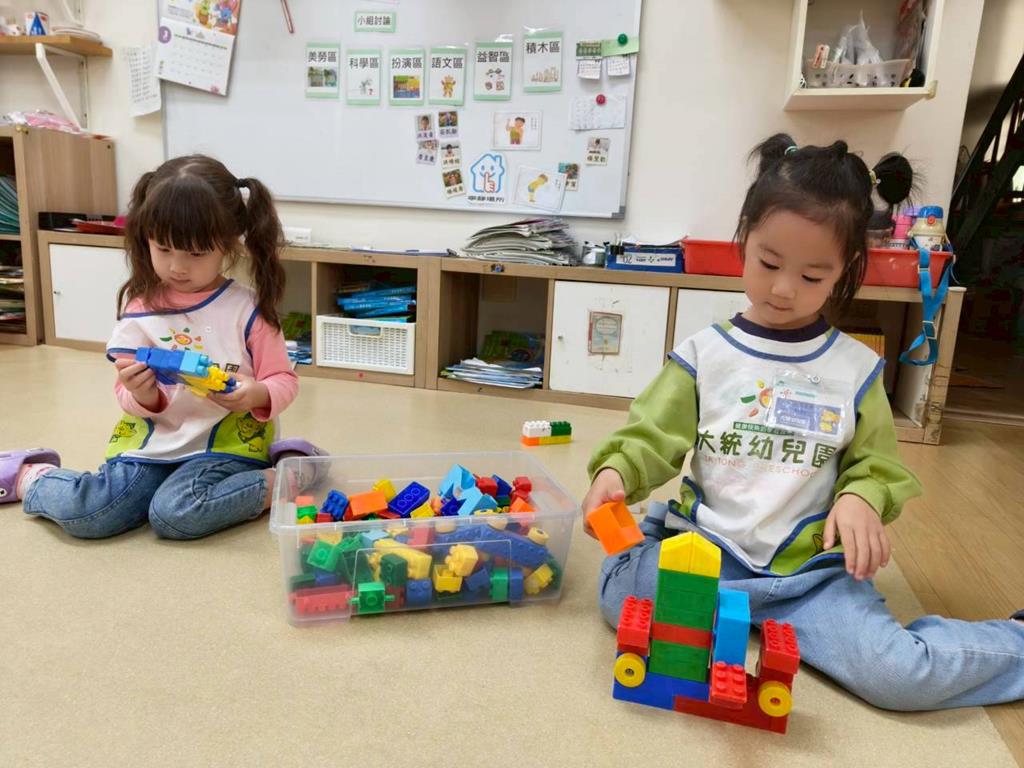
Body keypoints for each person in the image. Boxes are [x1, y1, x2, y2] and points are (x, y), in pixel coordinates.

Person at [583, 133, 1024, 711]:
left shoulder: (856, 370)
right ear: (744, 239)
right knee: (620, 595)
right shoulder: (703, 354)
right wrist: (617, 471)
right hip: (705, 557)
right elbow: (651, 436)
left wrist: (862, 498)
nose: (784, 288)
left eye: (814, 276)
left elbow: (876, 465)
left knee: (897, 675)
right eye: (768, 263)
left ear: (846, 270)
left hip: (810, 580)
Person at [0, 155, 323, 539]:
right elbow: (126, 393)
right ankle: (30, 475)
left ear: (228, 244)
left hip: (227, 444)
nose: (177, 267)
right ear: (146, 239)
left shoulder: (247, 309)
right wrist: (143, 394)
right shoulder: (140, 310)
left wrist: (257, 393)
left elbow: (283, 379)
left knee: (176, 514)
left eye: (196, 253)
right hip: (154, 442)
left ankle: (291, 471)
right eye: (164, 249)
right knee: (95, 512)